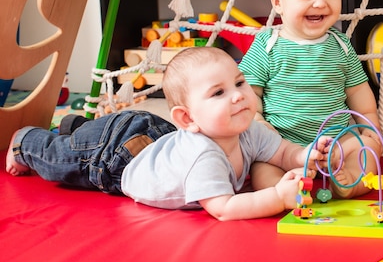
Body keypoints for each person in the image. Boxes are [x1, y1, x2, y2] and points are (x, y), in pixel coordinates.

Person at [6, 47, 331, 221]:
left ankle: (75, 125)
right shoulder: (203, 156)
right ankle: (26, 141)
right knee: (64, 158)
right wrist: (276, 198)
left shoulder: (246, 130)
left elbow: (284, 153)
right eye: (218, 93)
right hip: (119, 158)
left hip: (157, 135)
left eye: (240, 83)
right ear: (188, 117)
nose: (237, 96)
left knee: (89, 134)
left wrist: (308, 154)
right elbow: (223, 208)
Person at [237, 0, 383, 199]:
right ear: (278, 2)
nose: (320, 2)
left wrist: (369, 127)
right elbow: (249, 93)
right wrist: (258, 123)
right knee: (262, 170)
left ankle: (349, 182)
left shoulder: (341, 45)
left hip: (336, 145)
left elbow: (359, 92)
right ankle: (285, 191)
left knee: (368, 149)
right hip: (282, 146)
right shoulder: (267, 45)